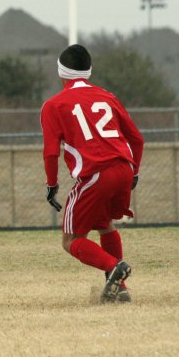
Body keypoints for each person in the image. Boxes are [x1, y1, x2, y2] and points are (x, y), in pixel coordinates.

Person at [41, 44, 144, 303]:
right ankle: (120, 289)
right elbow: (137, 139)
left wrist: (51, 184)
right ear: (88, 71)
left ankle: (114, 268)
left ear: (61, 72)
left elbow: (51, 152)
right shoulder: (107, 96)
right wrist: (134, 173)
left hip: (96, 173)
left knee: (71, 239)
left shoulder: (54, 105)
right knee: (104, 224)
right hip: (123, 167)